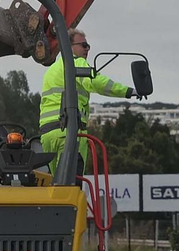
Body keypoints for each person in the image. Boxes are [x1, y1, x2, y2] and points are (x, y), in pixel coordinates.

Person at [38, 29, 143, 174]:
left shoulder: (51, 70)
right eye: (84, 45)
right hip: (69, 132)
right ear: (69, 46)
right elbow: (97, 83)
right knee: (72, 183)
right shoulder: (75, 63)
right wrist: (128, 91)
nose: (87, 49)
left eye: (88, 46)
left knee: (53, 182)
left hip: (47, 135)